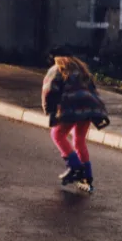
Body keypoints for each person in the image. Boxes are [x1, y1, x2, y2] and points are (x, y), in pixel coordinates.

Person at [41, 47, 110, 192]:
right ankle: (87, 177)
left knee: (57, 134)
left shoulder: (56, 69)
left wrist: (49, 110)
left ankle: (75, 167)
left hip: (72, 106)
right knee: (79, 140)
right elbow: (93, 90)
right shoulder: (81, 69)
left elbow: (48, 90)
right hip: (89, 107)